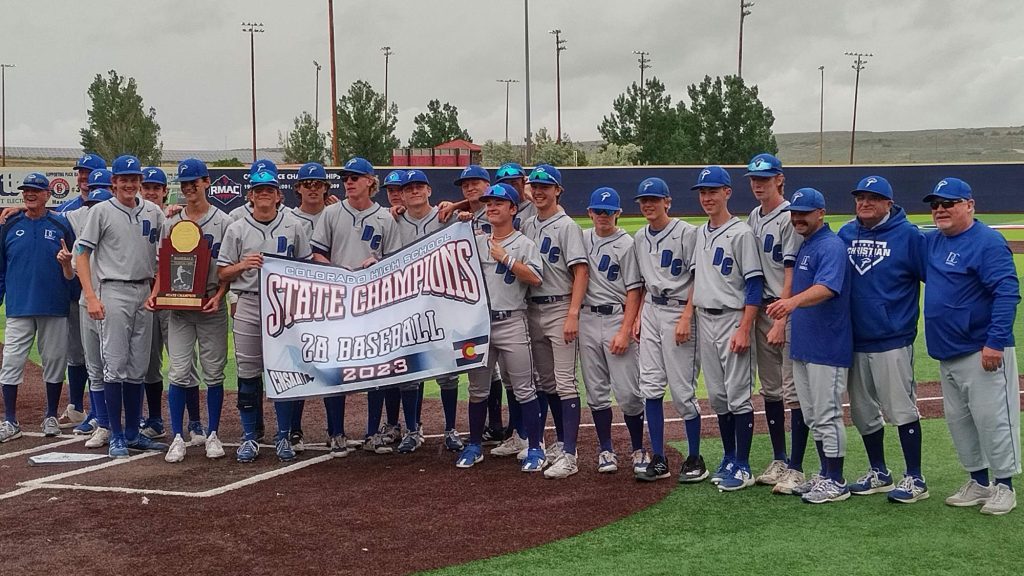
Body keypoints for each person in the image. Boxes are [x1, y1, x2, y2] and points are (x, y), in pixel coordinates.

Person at [921, 177, 1020, 516]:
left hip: (983, 351)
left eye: (949, 203)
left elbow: (1007, 293)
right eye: (936, 204)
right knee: (960, 422)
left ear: (969, 205)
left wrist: (994, 343)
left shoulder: (987, 241)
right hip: (947, 351)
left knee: (994, 420)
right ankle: (978, 481)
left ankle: (1004, 485)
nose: (940, 210)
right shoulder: (932, 242)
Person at [836, 176, 929, 503]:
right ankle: (880, 472)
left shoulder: (909, 236)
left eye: (873, 198)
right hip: (855, 339)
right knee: (862, 411)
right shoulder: (846, 233)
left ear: (889, 203)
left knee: (901, 409)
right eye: (860, 197)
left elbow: (932, 278)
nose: (864, 203)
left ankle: (915, 477)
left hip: (893, 338)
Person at [76, 155, 167, 458]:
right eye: (123, 179)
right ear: (113, 182)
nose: (129, 184)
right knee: (114, 366)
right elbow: (82, 255)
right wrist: (90, 295)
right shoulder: (101, 211)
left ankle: (132, 433)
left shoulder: (154, 212)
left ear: (141, 182)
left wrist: (156, 291)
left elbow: (165, 256)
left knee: (138, 368)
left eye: (134, 179)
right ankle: (116, 433)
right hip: (112, 289)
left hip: (144, 290)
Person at [218, 168, 311, 462]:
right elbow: (222, 271)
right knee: (247, 372)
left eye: (269, 190)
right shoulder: (237, 227)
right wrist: (243, 265)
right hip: (248, 301)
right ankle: (249, 436)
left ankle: (283, 435)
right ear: (251, 196)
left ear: (278, 195)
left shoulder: (294, 225)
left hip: (283, 305)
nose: (264, 195)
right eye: (258, 191)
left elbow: (307, 268)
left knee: (283, 370)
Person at [766, 188, 853, 504]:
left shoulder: (830, 245)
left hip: (827, 345)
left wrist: (789, 303)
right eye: (794, 212)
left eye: (805, 212)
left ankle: (837, 479)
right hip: (804, 343)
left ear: (821, 213)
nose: (797, 218)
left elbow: (828, 288)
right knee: (814, 414)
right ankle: (824, 474)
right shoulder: (807, 244)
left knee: (827, 413)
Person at [310, 157, 401, 454]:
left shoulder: (386, 218)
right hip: (337, 301)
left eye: (355, 177)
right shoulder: (332, 213)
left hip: (374, 302)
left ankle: (373, 432)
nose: (348, 182)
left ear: (370, 182)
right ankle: (335, 432)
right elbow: (317, 254)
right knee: (335, 366)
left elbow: (395, 260)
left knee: (376, 368)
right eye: (346, 177)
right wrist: (338, 272)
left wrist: (378, 263)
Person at [455, 183, 545, 471]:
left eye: (498, 203)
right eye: (489, 203)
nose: (492, 207)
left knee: (524, 388)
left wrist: (506, 259)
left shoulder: (523, 243)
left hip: (512, 320)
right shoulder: (477, 241)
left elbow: (535, 277)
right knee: (478, 389)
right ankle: (474, 445)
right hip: (481, 323)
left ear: (512, 209)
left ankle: (534, 447)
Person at [147, 159, 232, 462]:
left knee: (213, 372)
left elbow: (228, 268)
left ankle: (212, 433)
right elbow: (163, 267)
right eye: (184, 184)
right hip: (179, 307)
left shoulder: (224, 222)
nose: (188, 188)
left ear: (206, 182)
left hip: (210, 303)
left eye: (193, 182)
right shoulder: (172, 222)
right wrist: (156, 296)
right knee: (179, 371)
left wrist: (220, 295)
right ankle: (179, 437)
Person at [688, 166, 763, 491]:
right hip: (706, 318)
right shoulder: (699, 232)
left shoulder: (742, 233)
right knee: (718, 396)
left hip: (733, 317)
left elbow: (755, 283)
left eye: (713, 191)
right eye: (703, 192)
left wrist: (745, 327)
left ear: (727, 193)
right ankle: (729, 456)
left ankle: (743, 465)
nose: (707, 197)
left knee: (737, 394)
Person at [516, 164, 589, 479]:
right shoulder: (527, 224)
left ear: (558, 189)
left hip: (560, 305)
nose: (539, 191)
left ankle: (570, 455)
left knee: (564, 381)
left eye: (546, 186)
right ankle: (560, 443)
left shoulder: (566, 225)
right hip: (533, 308)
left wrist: (573, 313)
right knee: (546, 383)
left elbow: (581, 272)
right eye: (535, 185)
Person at [631, 177, 703, 482]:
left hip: (678, 310)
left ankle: (695, 457)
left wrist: (688, 315)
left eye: (654, 199)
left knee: (683, 391)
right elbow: (642, 284)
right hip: (651, 311)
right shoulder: (638, 237)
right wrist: (637, 316)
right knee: (650, 385)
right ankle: (659, 458)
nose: (648, 204)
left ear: (667, 202)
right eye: (644, 201)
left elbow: (699, 278)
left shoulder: (687, 233)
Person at [392, 169, 466, 453]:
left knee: (447, 370)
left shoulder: (447, 218)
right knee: (410, 370)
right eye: (409, 187)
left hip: (442, 304)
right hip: (406, 307)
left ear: (429, 190)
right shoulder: (393, 221)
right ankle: (412, 430)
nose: (414, 191)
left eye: (419, 186)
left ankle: (450, 429)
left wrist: (460, 211)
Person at [0, 174, 76, 442]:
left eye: (35, 190)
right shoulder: (9, 225)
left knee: (54, 361)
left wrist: (75, 297)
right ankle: (10, 420)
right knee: (11, 362)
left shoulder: (60, 224)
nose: (29, 194)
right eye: (26, 190)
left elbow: (74, 262)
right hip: (19, 306)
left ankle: (51, 415)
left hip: (54, 305)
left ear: (47, 194)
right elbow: (1, 267)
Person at [743, 153, 803, 486]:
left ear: (779, 179)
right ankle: (779, 459)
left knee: (792, 389)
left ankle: (795, 464)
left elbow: (791, 268)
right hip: (762, 308)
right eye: (754, 179)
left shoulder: (789, 215)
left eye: (764, 179)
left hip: (785, 309)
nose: (758, 184)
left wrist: (783, 316)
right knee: (770, 389)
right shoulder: (754, 215)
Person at [578, 187, 646, 473]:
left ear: (618, 213)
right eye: (598, 211)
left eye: (609, 211)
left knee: (629, 393)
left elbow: (635, 290)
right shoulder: (580, 238)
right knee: (595, 391)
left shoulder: (627, 244)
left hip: (617, 317)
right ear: (589, 212)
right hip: (587, 319)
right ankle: (606, 449)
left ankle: (638, 448)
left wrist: (625, 329)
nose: (603, 216)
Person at [288, 161, 346, 455]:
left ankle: (336, 431)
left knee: (331, 366)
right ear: (297, 188)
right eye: (307, 184)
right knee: (296, 366)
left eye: (318, 184)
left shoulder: (338, 214)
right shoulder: (285, 217)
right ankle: (293, 431)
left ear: (326, 188)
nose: (313, 189)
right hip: (296, 304)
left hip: (330, 303)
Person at [54, 153, 107, 432]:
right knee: (78, 353)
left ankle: (105, 412)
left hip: (108, 291)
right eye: (80, 172)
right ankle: (77, 406)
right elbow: (47, 216)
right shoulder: (70, 208)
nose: (83, 177)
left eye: (88, 172)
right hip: (77, 290)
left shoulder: (109, 206)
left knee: (106, 356)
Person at [66, 187, 115, 449]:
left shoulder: (121, 227)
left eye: (102, 202)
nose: (96, 207)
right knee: (94, 366)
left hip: (115, 303)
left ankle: (127, 420)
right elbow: (72, 271)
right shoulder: (83, 236)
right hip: (89, 304)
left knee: (118, 366)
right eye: (92, 202)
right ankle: (101, 420)